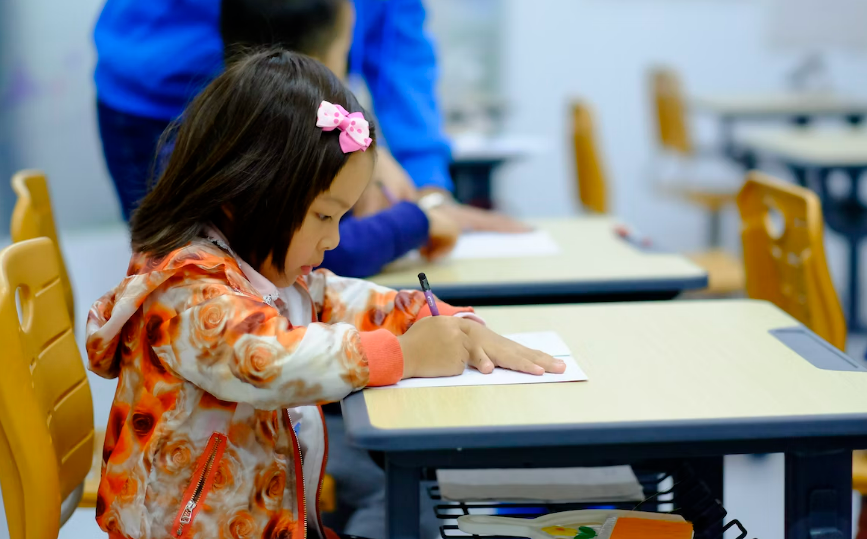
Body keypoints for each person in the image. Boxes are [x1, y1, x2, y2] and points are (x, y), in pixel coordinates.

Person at [85, 50, 563, 539]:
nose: (333, 240)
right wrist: (402, 353)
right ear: (244, 193)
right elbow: (267, 360)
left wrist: (437, 317)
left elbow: (338, 299)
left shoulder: (263, 270)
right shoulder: (185, 291)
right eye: (324, 216)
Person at [93, 0, 526, 233]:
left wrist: (428, 189)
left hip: (288, 90)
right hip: (169, 94)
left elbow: (397, 41)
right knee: (200, 278)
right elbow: (325, 253)